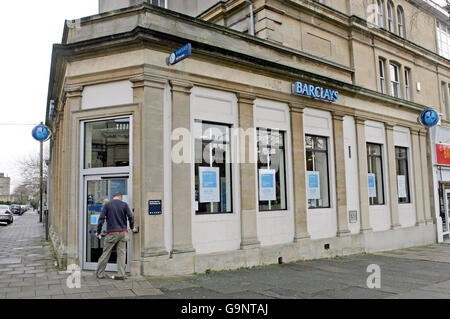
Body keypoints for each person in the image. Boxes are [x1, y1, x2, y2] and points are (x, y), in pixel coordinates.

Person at [95, 191, 137, 280]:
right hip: (123, 233)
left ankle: (100, 273)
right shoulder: (124, 205)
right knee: (121, 254)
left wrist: (98, 232)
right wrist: (132, 227)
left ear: (114, 197)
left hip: (112, 233)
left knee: (106, 253)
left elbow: (101, 219)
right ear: (120, 197)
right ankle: (121, 274)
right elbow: (131, 216)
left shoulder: (107, 205)